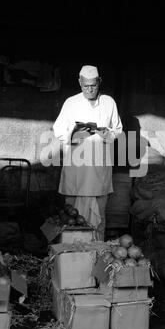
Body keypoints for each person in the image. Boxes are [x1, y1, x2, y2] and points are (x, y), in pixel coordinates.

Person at [53, 65, 123, 241]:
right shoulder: (71, 102)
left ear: (99, 82)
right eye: (86, 86)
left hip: (99, 168)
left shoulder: (109, 102)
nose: (90, 89)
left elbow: (118, 130)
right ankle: (69, 254)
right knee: (70, 215)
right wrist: (73, 133)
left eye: (93, 85)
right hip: (76, 167)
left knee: (99, 215)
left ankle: (98, 252)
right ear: (79, 82)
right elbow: (58, 129)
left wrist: (109, 134)